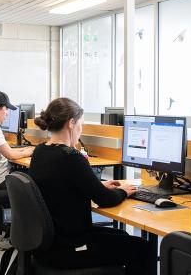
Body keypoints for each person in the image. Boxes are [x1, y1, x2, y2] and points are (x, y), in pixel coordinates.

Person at [28, 98, 150, 275]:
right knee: (142, 248)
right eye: (81, 124)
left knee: (122, 237)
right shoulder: (72, 157)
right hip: (70, 248)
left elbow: (63, 183)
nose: (81, 130)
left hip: (48, 243)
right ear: (71, 123)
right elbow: (105, 200)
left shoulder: (40, 151)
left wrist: (97, 185)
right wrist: (123, 191)